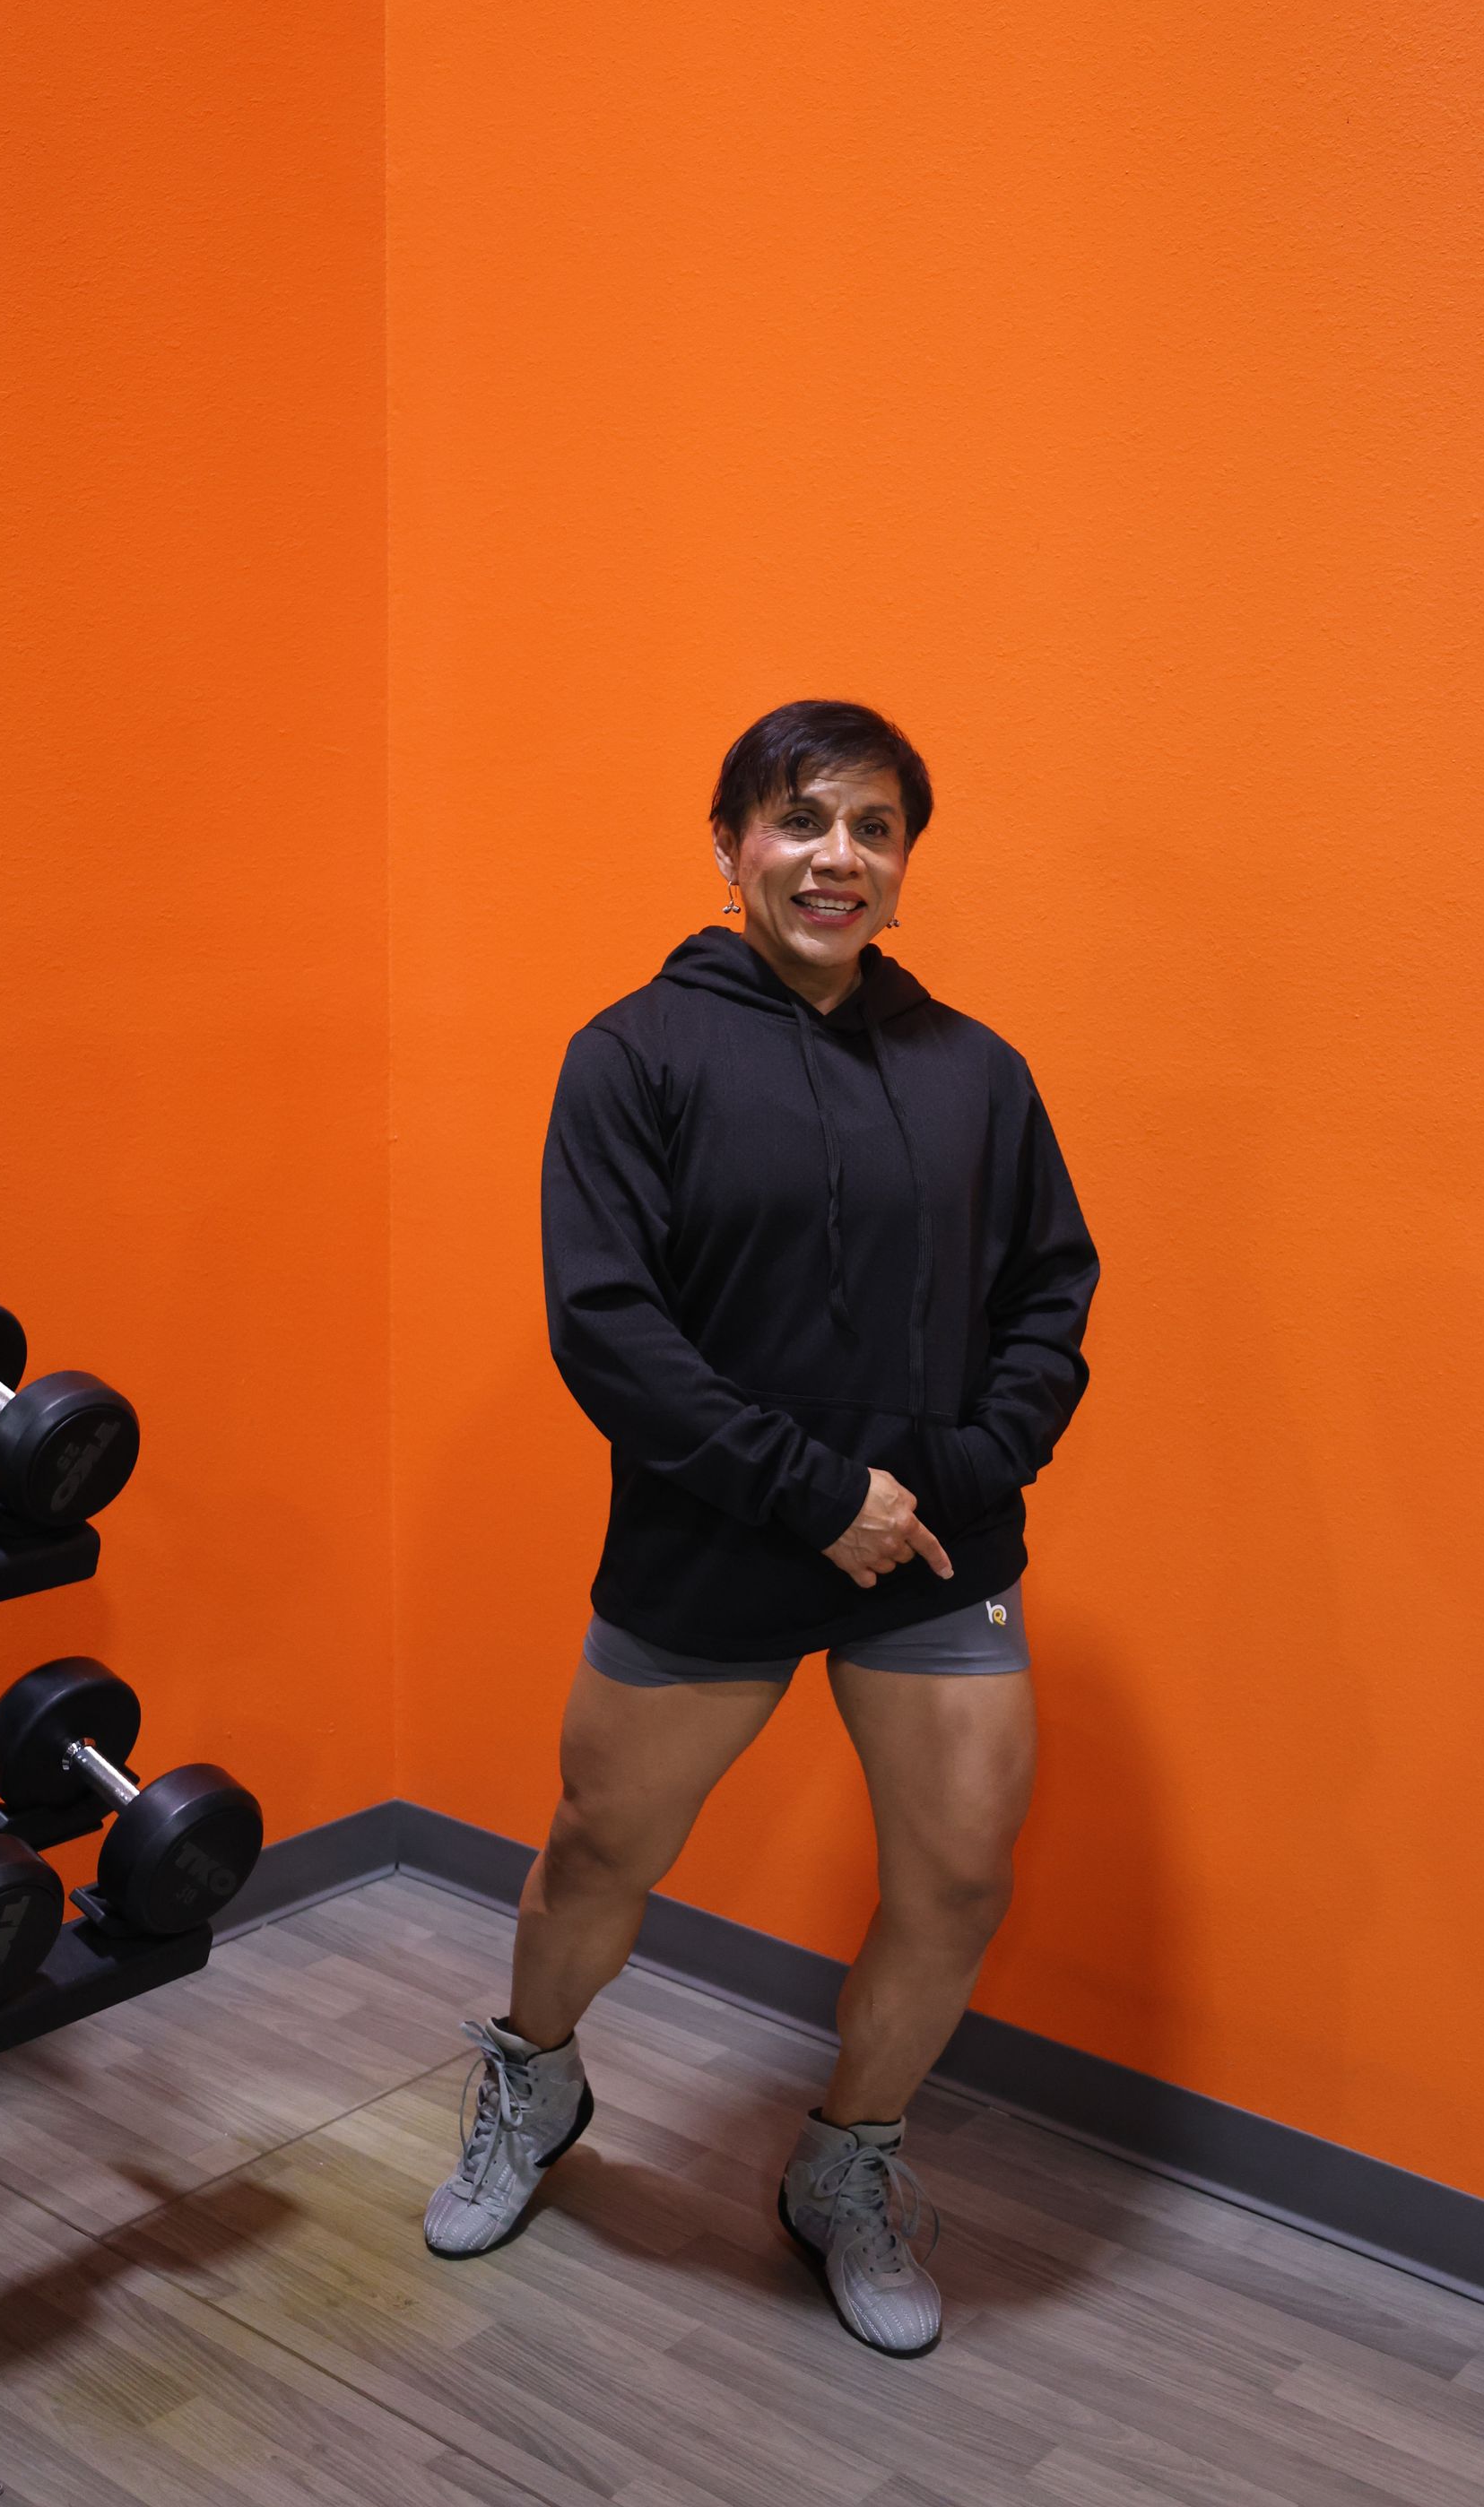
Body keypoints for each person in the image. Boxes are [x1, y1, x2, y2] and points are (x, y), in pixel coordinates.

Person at [421, 698, 1100, 2360]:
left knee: (959, 1877)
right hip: (717, 1536)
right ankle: (535, 2085)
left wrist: (960, 1475)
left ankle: (843, 2167)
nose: (836, 857)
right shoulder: (634, 1054)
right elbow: (608, 1327)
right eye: (801, 820)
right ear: (729, 845)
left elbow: (1051, 1294)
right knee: (600, 1853)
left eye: (874, 827)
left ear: (905, 861)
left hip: (931, 1551)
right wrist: (816, 1493)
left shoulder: (978, 1073)